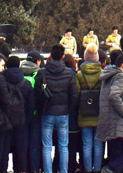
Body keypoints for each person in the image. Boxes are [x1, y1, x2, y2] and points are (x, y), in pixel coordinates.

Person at [36, 44, 79, 173]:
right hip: (63, 113)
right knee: (63, 146)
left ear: (50, 56)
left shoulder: (42, 73)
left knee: (47, 146)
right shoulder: (68, 73)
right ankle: (63, 170)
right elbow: (74, 94)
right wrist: (68, 109)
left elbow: (37, 94)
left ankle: (48, 171)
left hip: (47, 112)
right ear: (62, 56)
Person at [76, 44, 104, 173]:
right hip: (99, 114)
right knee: (98, 143)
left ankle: (87, 169)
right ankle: (97, 168)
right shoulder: (102, 74)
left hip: (84, 113)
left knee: (86, 144)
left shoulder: (80, 74)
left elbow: (76, 94)